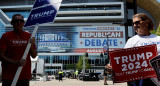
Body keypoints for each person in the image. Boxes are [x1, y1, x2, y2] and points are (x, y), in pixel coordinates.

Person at [108, 13, 160, 86]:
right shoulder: (131, 41)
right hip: (138, 82)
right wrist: (112, 66)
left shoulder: (158, 39)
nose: (135, 25)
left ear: (146, 22)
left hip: (156, 80)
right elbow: (123, 60)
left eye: (137, 22)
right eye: (133, 24)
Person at [0, 14, 37, 86]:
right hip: (9, 76)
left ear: (24, 23)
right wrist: (16, 62)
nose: (19, 22)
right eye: (16, 21)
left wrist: (31, 45)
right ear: (12, 23)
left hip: (24, 76)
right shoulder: (5, 36)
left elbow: (34, 55)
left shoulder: (29, 36)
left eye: (21, 21)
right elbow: (0, 55)